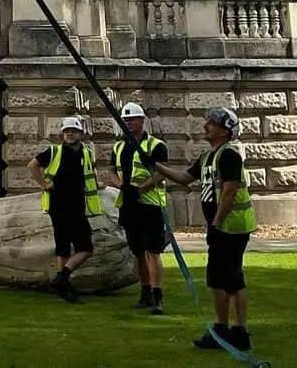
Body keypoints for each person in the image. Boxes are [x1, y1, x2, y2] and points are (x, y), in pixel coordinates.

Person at [151, 106, 258, 353]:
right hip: (224, 226)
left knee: (223, 279)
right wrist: (156, 166)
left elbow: (230, 191)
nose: (205, 125)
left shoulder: (228, 155)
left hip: (230, 227)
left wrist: (217, 223)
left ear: (224, 131)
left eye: (211, 122)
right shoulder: (208, 157)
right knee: (230, 279)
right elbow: (184, 178)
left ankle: (225, 331)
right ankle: (237, 333)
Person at [27, 115, 101, 302]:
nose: (69, 134)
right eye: (67, 131)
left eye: (73, 131)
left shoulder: (86, 153)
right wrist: (44, 184)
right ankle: (64, 283)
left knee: (85, 247)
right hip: (58, 205)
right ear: (62, 134)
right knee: (64, 247)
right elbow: (32, 165)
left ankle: (62, 277)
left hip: (77, 205)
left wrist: (100, 185)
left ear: (80, 134)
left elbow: (90, 176)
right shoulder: (54, 152)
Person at [108, 101, 168, 314]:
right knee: (137, 251)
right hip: (129, 204)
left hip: (150, 203)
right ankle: (145, 293)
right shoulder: (118, 146)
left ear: (142, 120)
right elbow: (111, 172)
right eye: (125, 120)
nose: (128, 123)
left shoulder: (155, 146)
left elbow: (161, 173)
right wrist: (122, 186)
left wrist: (140, 189)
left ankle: (157, 295)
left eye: (132, 119)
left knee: (152, 250)